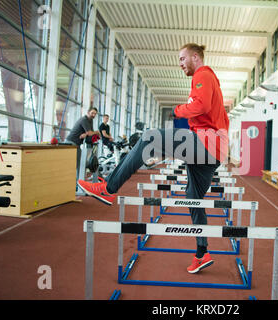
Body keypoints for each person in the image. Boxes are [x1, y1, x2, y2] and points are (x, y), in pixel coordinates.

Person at [78, 43, 229, 274]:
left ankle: (108, 188)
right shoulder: (208, 79)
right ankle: (203, 252)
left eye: (182, 59)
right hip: (214, 151)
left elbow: (201, 105)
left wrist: (178, 110)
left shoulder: (203, 74)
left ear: (195, 57)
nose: (179, 64)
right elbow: (209, 110)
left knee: (149, 137)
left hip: (206, 143)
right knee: (193, 197)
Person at [65, 107, 100, 176]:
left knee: (80, 163)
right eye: (92, 113)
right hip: (71, 143)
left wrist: (87, 133)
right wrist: (96, 132)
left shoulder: (90, 120)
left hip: (76, 144)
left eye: (95, 114)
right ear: (88, 112)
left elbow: (90, 133)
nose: (93, 115)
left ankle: (78, 182)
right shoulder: (84, 120)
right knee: (79, 164)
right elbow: (90, 133)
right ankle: (78, 183)